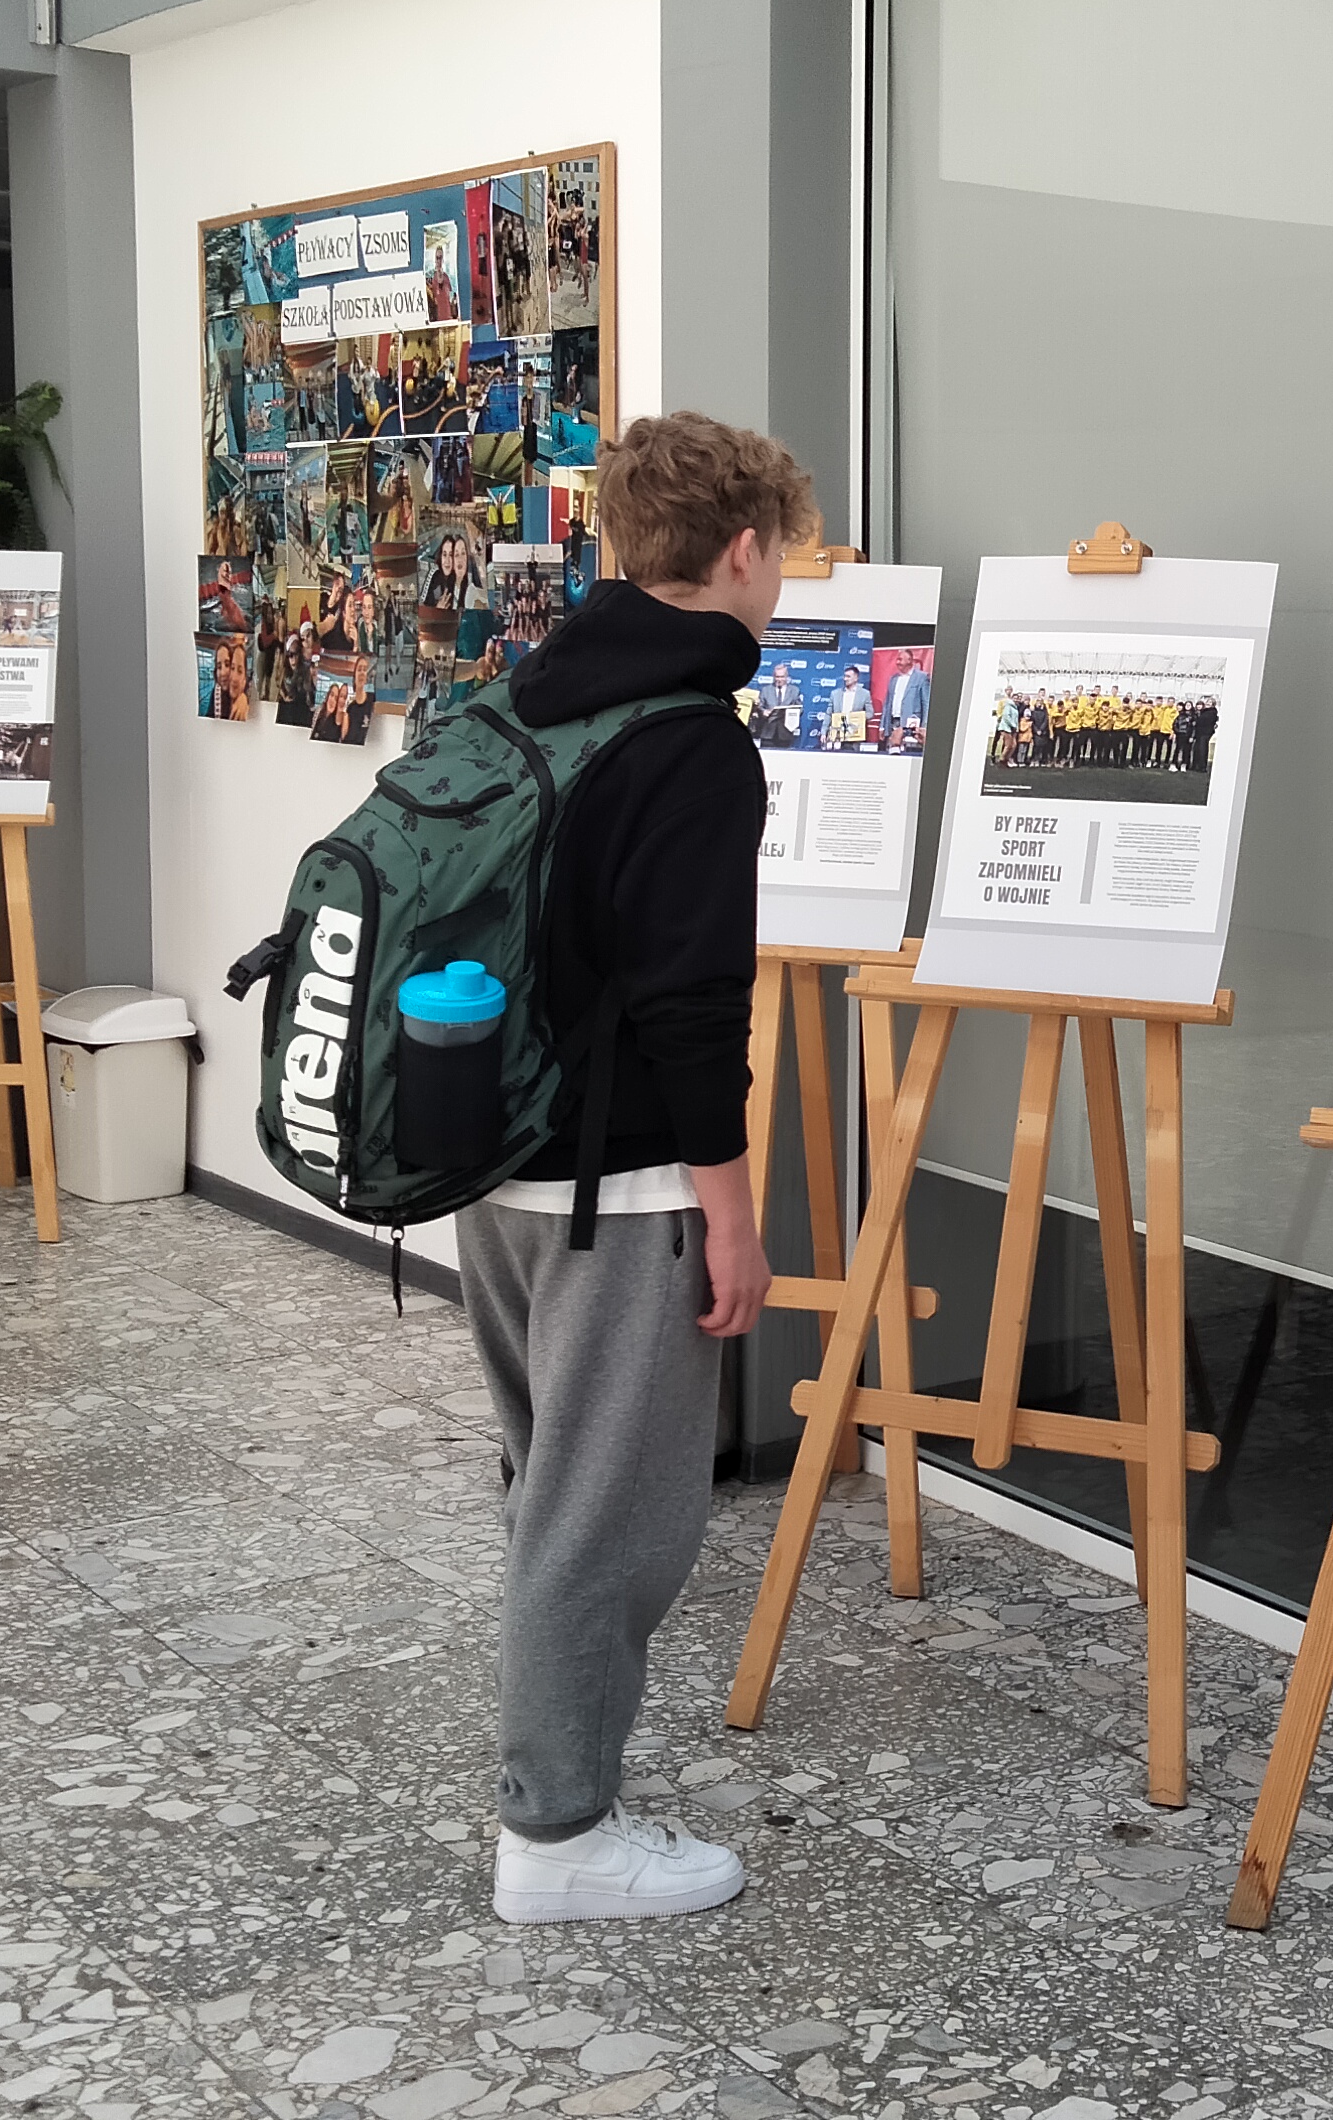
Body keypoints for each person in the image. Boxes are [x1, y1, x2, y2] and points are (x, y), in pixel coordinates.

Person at [455, 410, 801, 1926]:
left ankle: (557, 1788)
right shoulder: (694, 743)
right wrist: (732, 1216)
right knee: (604, 1521)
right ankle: (558, 1837)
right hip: (624, 1189)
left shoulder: (526, 697)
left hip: (493, 1163)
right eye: (782, 557)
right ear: (743, 551)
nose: (780, 582)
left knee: (550, 1493)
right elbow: (691, 1007)